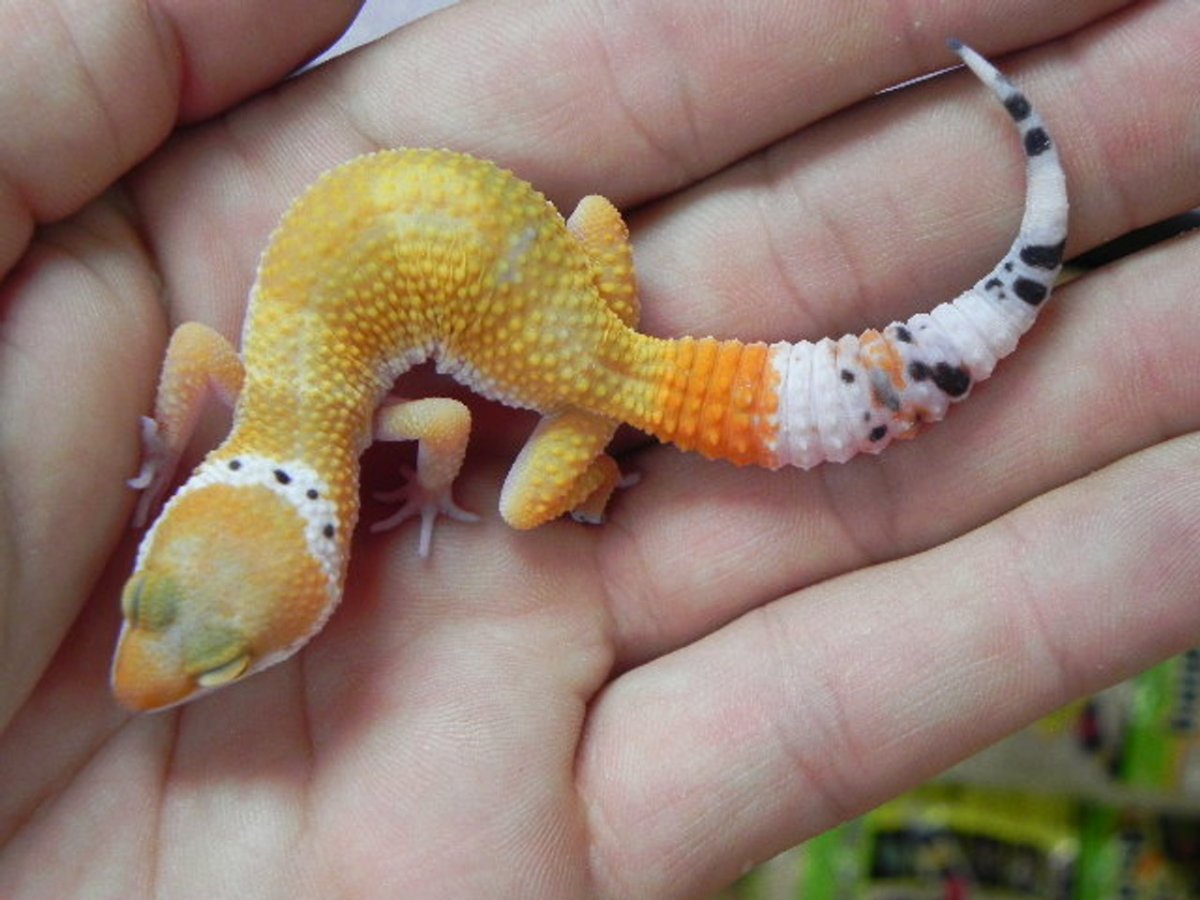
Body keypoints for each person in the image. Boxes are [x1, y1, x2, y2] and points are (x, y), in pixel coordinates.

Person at [0, 1, 1196, 896]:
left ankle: (608, 457)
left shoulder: (320, 418)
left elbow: (445, 422)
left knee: (526, 512)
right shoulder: (260, 388)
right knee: (583, 325)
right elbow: (224, 358)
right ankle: (635, 425)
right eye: (193, 640)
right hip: (576, 278)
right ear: (200, 495)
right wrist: (187, 446)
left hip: (588, 372)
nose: (148, 670)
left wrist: (497, 481)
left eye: (196, 649)